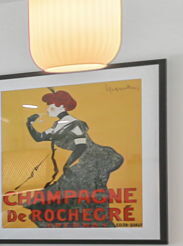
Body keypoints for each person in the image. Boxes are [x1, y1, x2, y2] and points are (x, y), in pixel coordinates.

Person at [22, 90, 125, 226]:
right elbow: (39, 137)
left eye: (50, 106)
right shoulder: (57, 125)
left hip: (89, 163)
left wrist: (68, 165)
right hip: (77, 164)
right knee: (60, 200)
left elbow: (81, 146)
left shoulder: (75, 124)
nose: (47, 109)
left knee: (79, 200)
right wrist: (29, 123)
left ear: (61, 106)